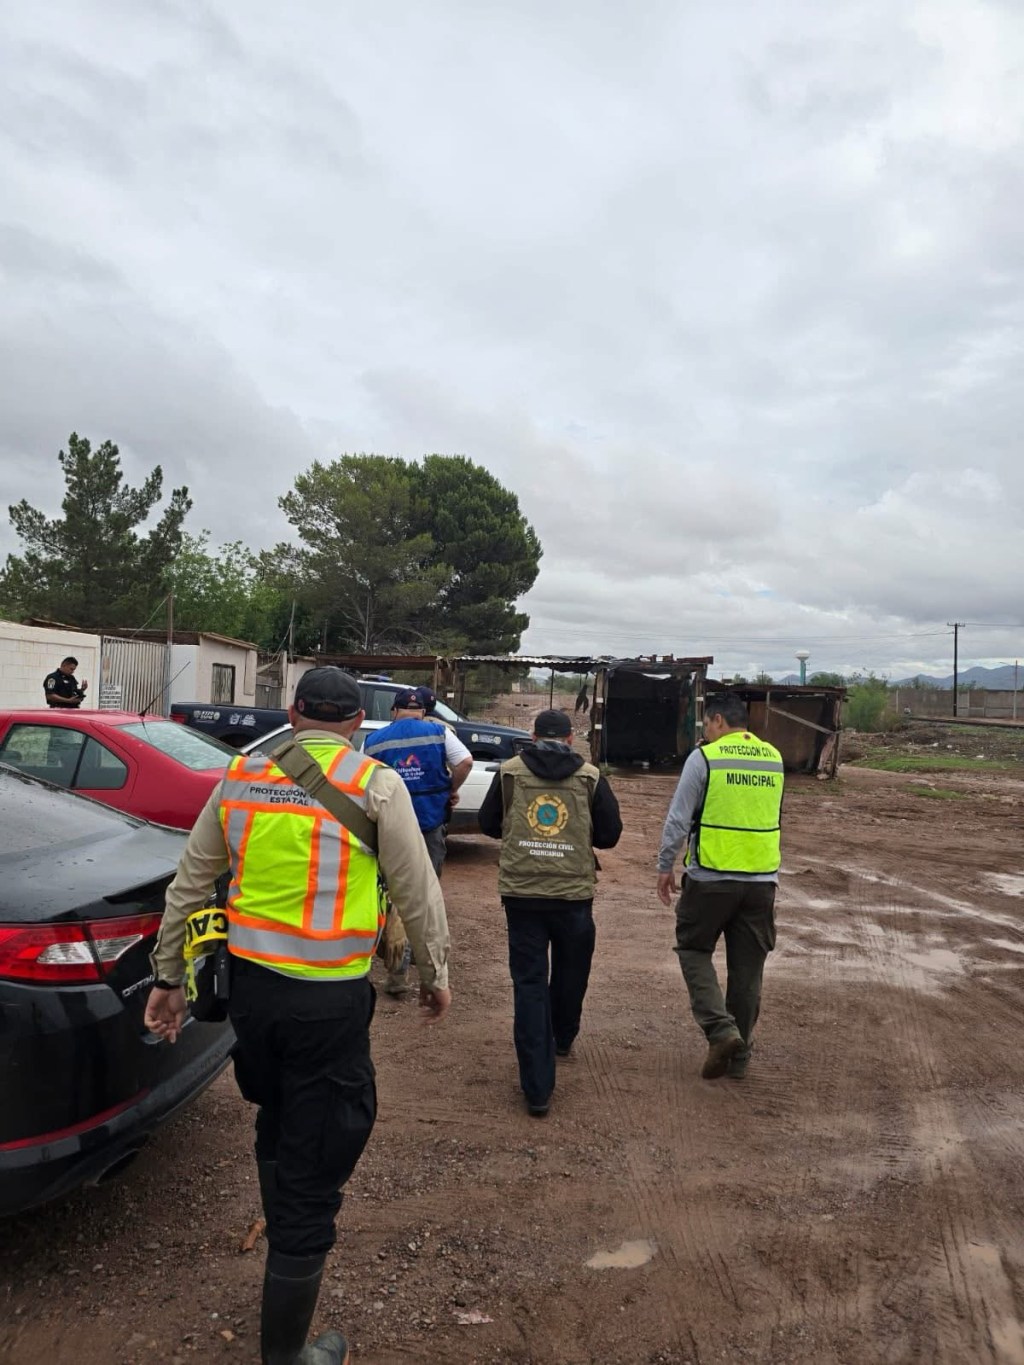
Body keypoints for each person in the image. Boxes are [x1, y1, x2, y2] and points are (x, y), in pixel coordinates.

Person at [143, 667, 451, 1365]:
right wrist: (434, 974)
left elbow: (189, 882)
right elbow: (418, 892)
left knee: (277, 1112)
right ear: (357, 722)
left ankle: (282, 1217)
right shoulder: (374, 784)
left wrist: (167, 977)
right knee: (319, 1153)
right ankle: (286, 1351)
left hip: (252, 996)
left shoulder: (242, 774)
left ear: (292, 712)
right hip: (327, 1004)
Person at [478, 707, 622, 1117]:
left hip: (522, 895)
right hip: (573, 895)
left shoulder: (508, 773)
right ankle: (563, 1035)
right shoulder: (590, 777)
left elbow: (488, 823)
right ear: (571, 739)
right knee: (572, 969)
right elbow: (609, 835)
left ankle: (537, 1088)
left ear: (533, 737)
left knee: (529, 984)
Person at [656, 692, 784, 1082]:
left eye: (707, 724)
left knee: (693, 949)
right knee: (747, 971)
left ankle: (721, 1030)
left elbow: (679, 818)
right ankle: (739, 1058)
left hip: (711, 876)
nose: (706, 731)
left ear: (717, 721)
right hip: (761, 881)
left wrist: (665, 865)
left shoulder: (705, 758)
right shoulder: (774, 758)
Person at [362, 686, 473, 878]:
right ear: (422, 712)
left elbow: (362, 778)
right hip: (430, 818)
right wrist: (451, 789)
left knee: (391, 878)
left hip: (391, 823)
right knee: (428, 879)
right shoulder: (440, 732)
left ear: (394, 711)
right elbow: (466, 762)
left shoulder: (372, 740)